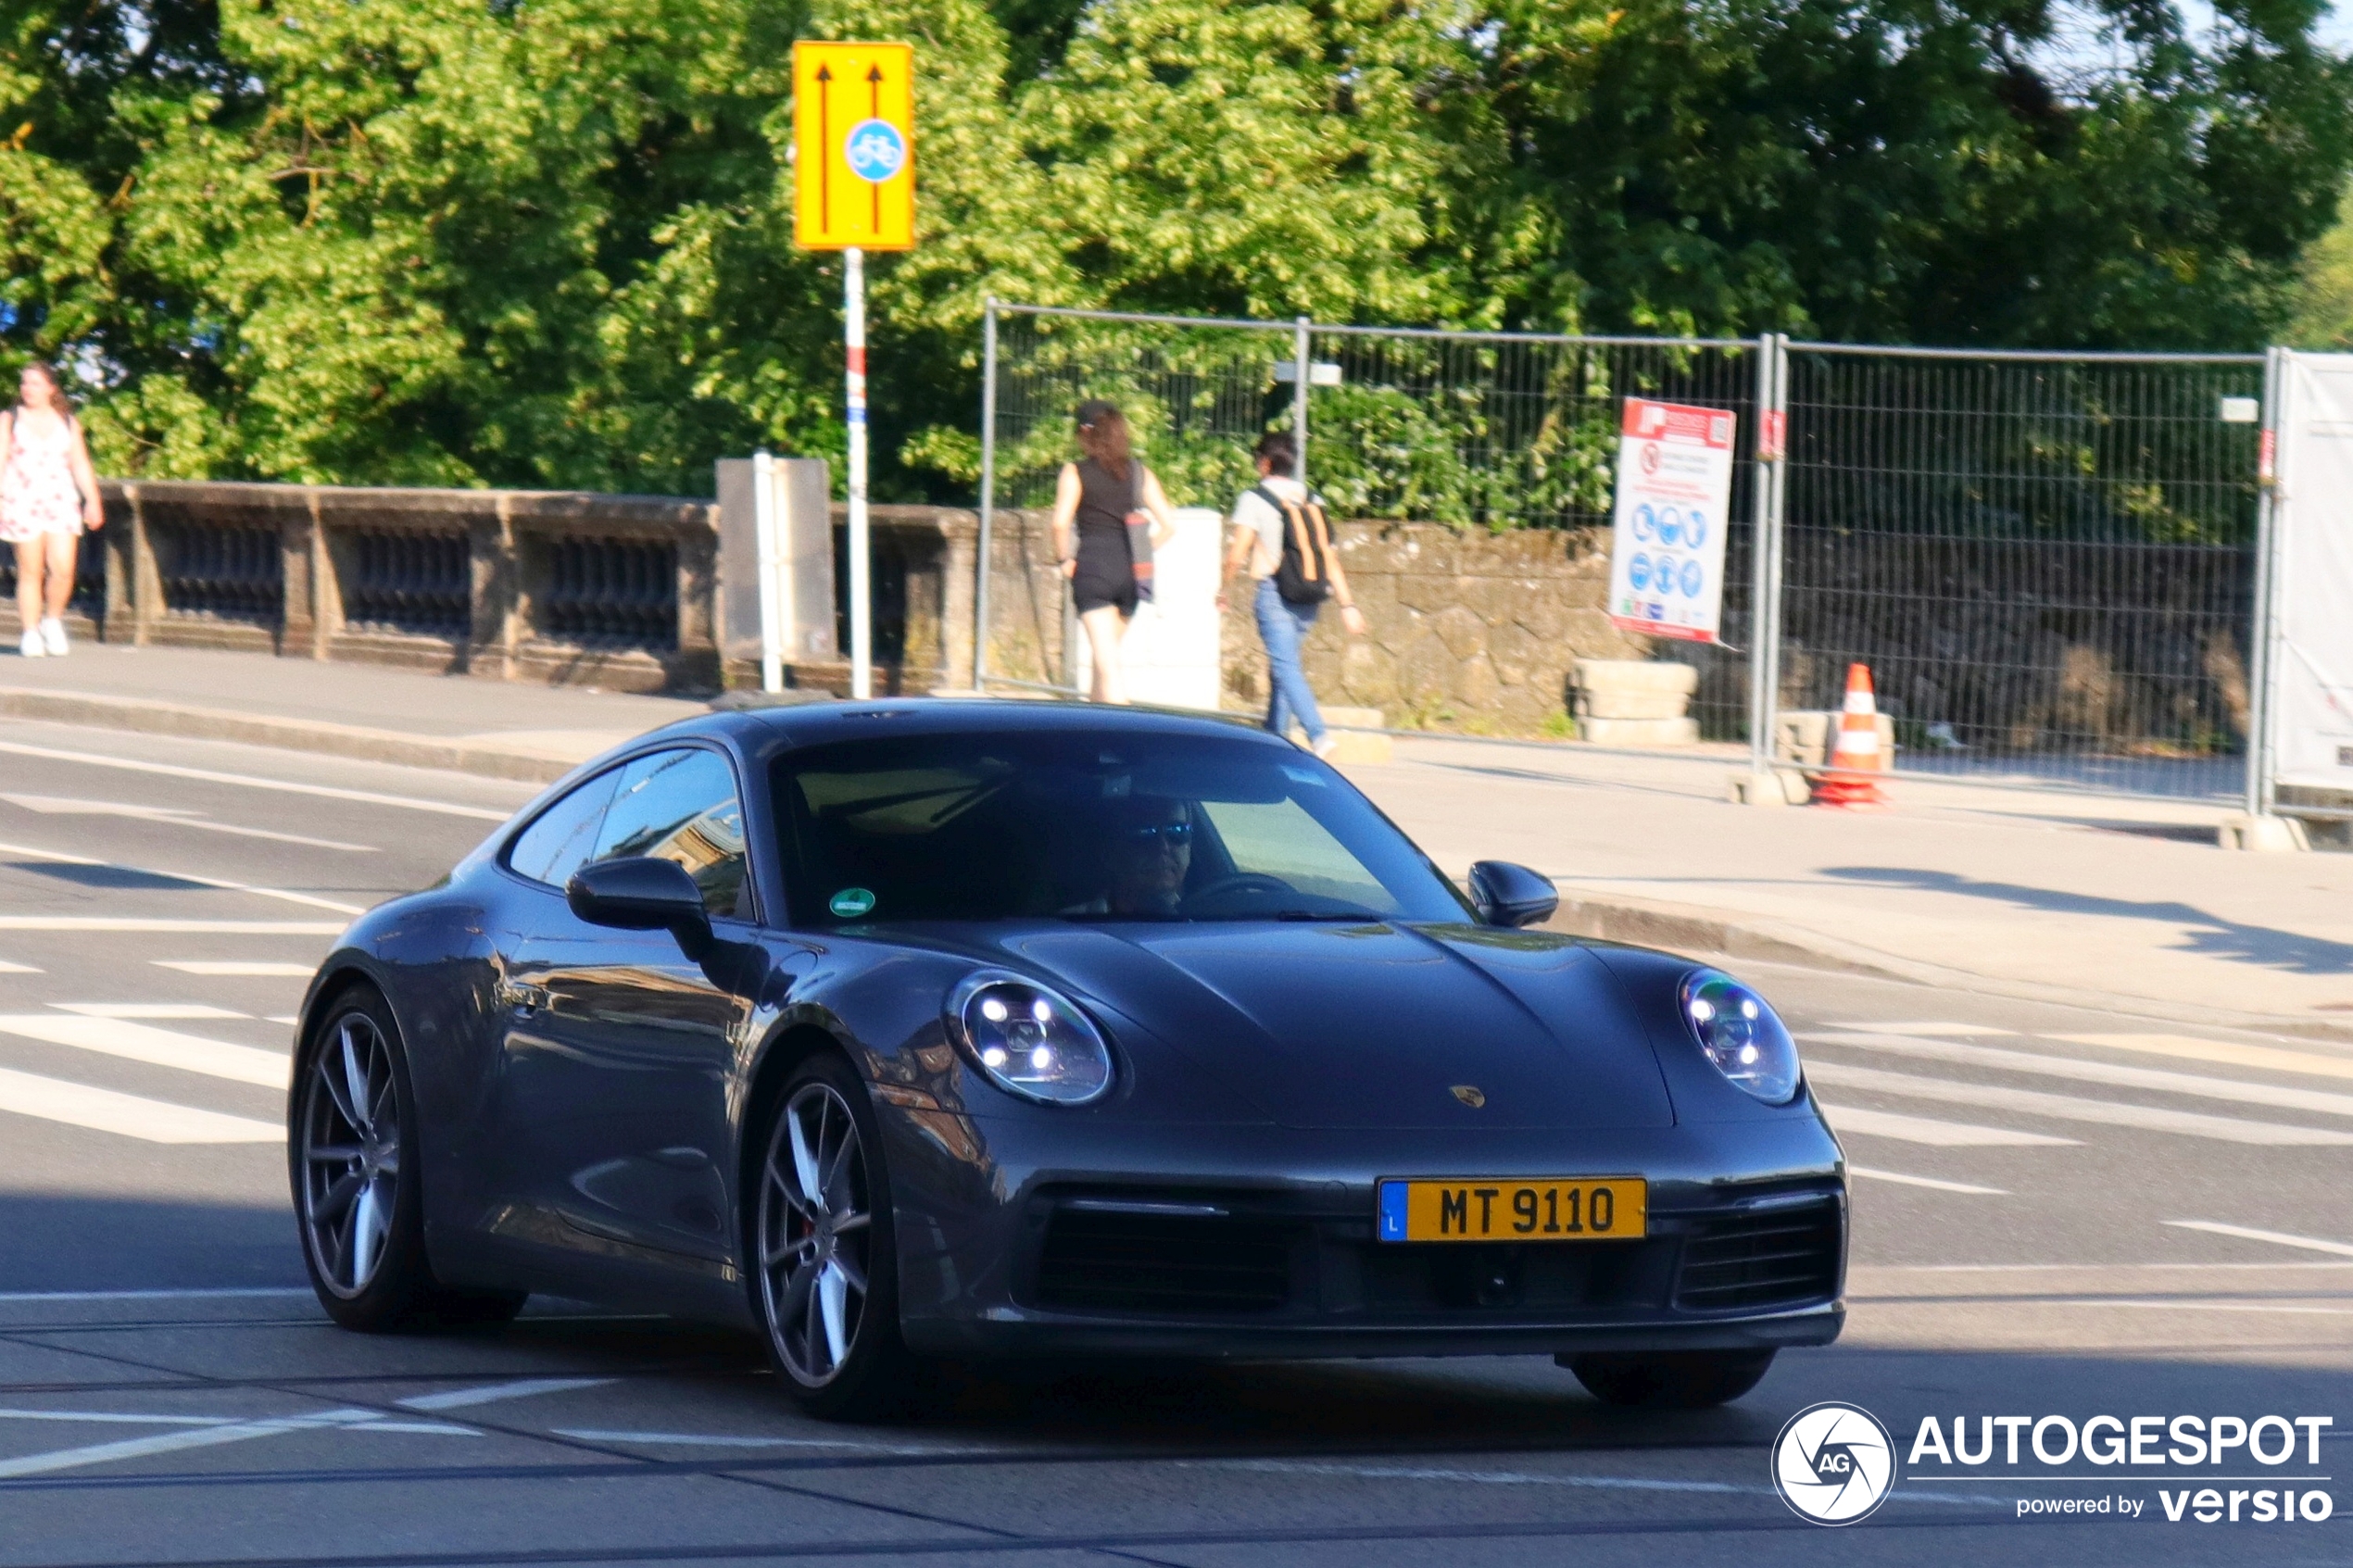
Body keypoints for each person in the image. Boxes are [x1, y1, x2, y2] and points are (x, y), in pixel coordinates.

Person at [1216, 430, 1365, 757]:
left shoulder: (1254, 498)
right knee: (1283, 667)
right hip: (1310, 595)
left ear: (1265, 462)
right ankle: (1274, 741)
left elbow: (1236, 554)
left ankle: (1318, 734)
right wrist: (1347, 604)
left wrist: (1223, 590)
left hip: (1275, 593)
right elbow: (1329, 557)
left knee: (1284, 667)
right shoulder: (1312, 498)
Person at [1050, 400, 1178, 704]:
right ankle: (1095, 734)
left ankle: (1129, 735)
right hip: (1131, 575)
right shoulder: (1139, 472)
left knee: (1109, 669)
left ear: (1084, 432)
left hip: (1093, 571)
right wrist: (1142, 550)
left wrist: (1064, 559)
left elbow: (1059, 524)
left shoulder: (1075, 472)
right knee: (1102, 661)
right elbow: (1169, 525)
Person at [3, 362, 103, 659]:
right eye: (24, 383)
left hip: (60, 499)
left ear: (51, 388)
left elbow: (80, 463)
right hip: (21, 499)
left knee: (63, 568)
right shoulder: (9, 419)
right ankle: (30, 632)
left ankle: (53, 620)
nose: (27, 389)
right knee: (30, 570)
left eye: (34, 383)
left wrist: (93, 500)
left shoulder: (68, 422)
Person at [1062, 796, 1193, 917]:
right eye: (1143, 833)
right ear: (1110, 854)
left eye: (1178, 831)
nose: (1163, 847)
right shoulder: (1068, 931)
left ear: (1189, 847)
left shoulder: (1205, 923)